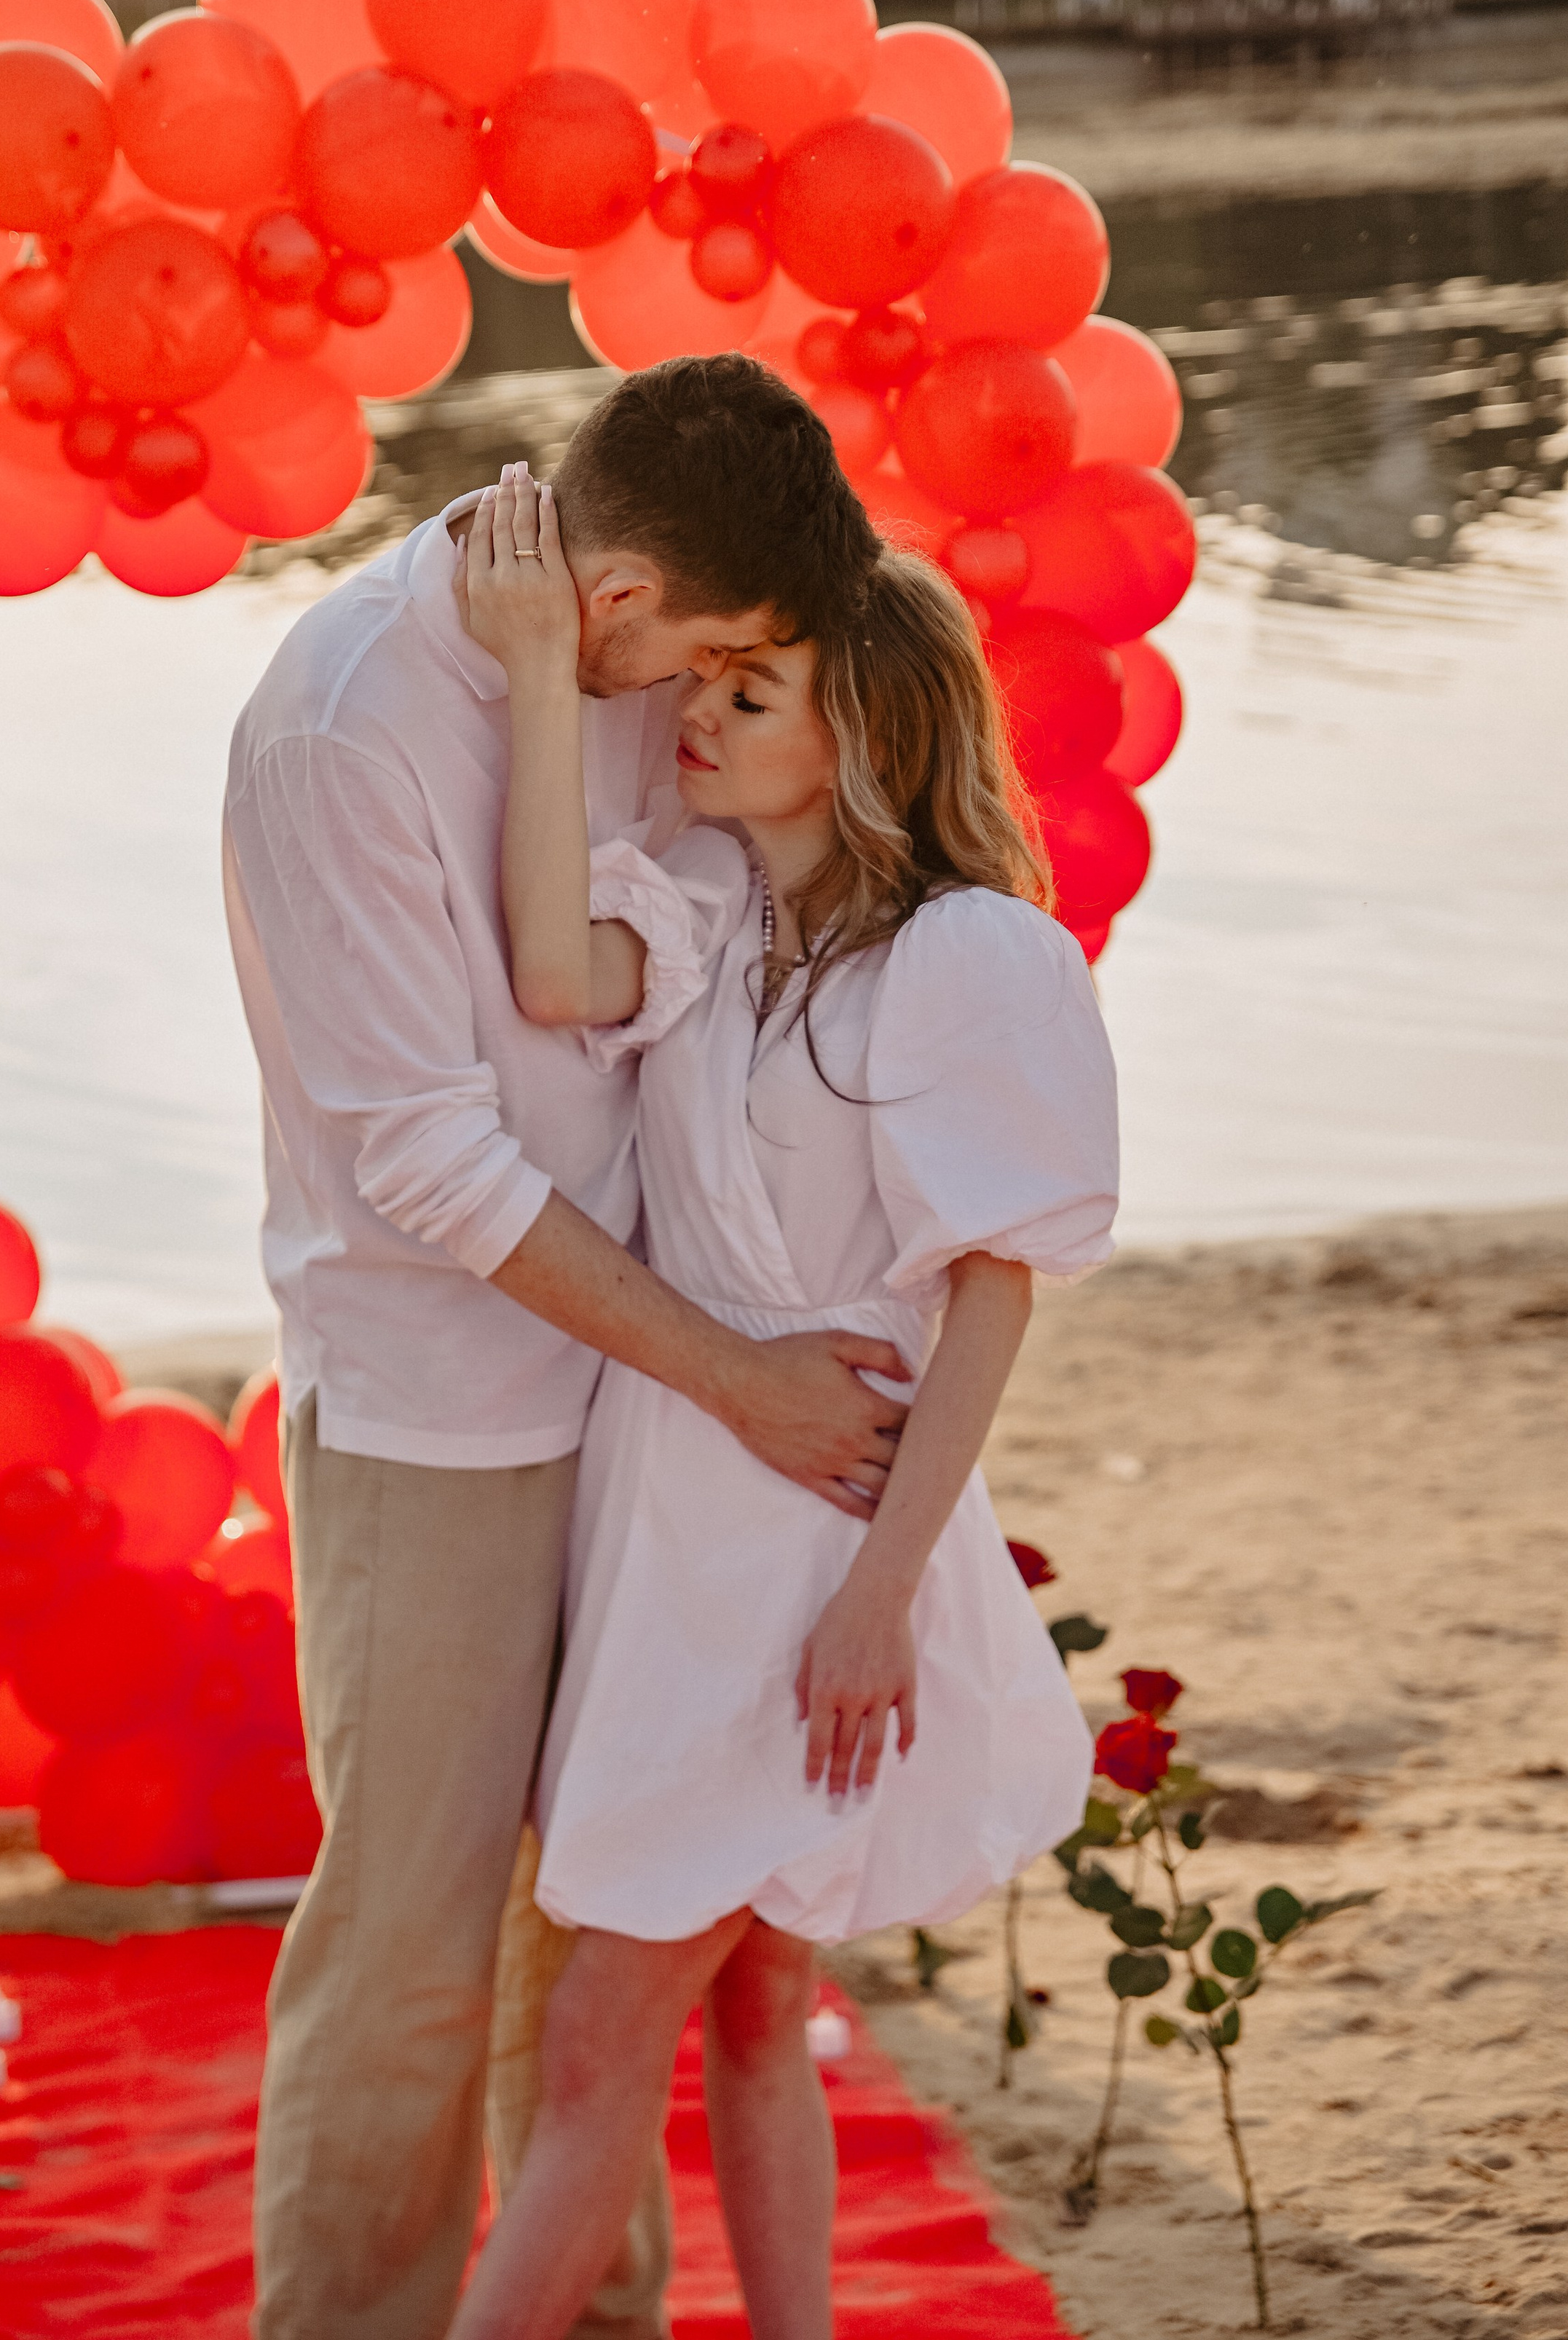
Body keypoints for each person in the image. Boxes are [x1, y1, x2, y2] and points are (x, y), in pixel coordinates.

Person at [223, 358, 906, 2340]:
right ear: (610, 599)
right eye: (707, 656)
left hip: (649, 1394)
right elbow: (429, 1157)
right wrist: (735, 1372)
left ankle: (578, 2309)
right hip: (440, 1417)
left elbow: (693, 911)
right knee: (414, 1946)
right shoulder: (338, 732)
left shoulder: (624, 675)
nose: (715, 700)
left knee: (592, 1893)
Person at [446, 477, 1118, 2340]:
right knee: (736, 2005)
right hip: (677, 1506)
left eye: (752, 692)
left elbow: (987, 1292)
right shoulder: (711, 916)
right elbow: (548, 970)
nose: (701, 713)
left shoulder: (967, 955)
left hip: (828, 1535)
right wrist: (525, 677)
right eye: (708, 682)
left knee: (604, 2043)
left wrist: (882, 1595)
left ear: (865, 730)